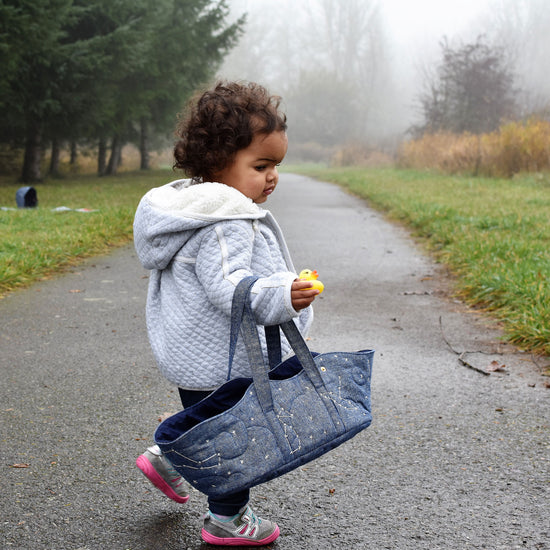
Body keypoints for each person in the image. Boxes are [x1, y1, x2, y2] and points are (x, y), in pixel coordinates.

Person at [132, 81, 320, 546]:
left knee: (210, 424)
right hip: (224, 359)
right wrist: (282, 293)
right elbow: (229, 286)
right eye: (261, 165)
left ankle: (169, 458)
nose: (272, 176)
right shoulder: (228, 220)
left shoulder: (193, 208)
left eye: (276, 165)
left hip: (197, 354)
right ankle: (228, 521)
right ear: (218, 162)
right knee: (237, 440)